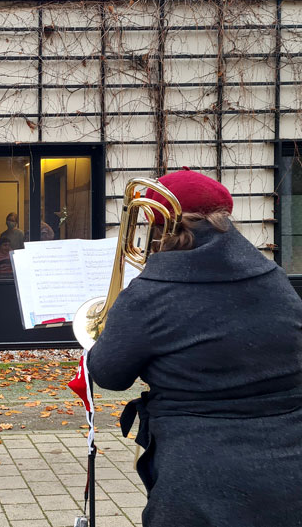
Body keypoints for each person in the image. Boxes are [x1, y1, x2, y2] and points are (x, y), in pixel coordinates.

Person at [86, 169, 302, 526]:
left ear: (158, 228)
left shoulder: (150, 293)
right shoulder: (273, 278)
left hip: (197, 480)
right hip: (290, 469)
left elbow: (109, 373)